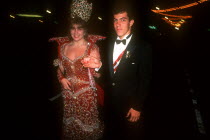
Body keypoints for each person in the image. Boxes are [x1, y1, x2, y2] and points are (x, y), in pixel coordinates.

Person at [49, 1, 105, 139]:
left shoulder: (92, 47)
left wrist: (97, 65)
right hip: (68, 94)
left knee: (87, 126)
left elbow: (98, 68)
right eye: (73, 28)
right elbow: (60, 68)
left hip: (86, 94)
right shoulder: (63, 47)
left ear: (85, 30)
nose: (75, 32)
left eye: (79, 28)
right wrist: (61, 78)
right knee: (71, 127)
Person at [102, 4, 152, 140]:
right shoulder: (108, 43)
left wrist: (137, 106)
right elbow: (109, 73)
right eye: (115, 20)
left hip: (130, 106)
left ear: (131, 22)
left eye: (123, 20)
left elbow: (145, 79)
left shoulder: (143, 47)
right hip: (110, 104)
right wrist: (96, 68)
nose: (118, 24)